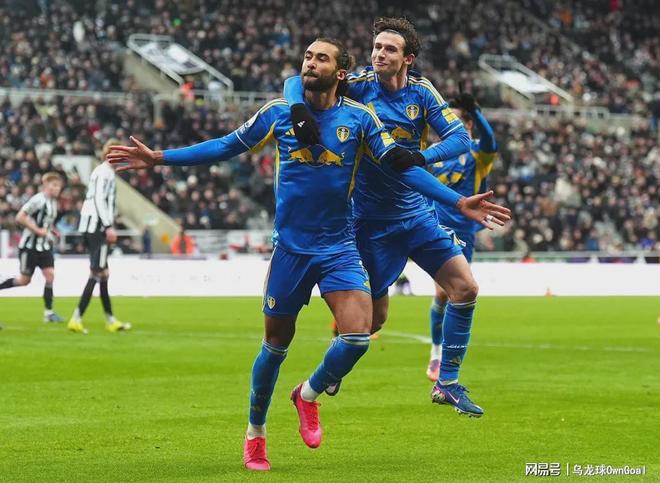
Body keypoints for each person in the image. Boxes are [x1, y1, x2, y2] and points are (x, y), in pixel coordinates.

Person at [107, 38, 509, 470]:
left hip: (339, 246)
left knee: (359, 336)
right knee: (275, 345)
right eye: (307, 57)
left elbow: (401, 168)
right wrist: (159, 158)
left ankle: (308, 393)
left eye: (321, 58)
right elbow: (226, 145)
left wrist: (456, 201)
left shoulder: (361, 118)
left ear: (341, 73)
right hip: (291, 250)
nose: (310, 63)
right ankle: (255, 433)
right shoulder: (279, 113)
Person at [283, 17, 501, 417]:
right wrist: (298, 107)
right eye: (377, 47)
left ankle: (447, 383)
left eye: (389, 49)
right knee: (373, 321)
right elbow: (297, 82)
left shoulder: (422, 92)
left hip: (417, 215)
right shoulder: (358, 85)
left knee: (465, 288)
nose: (379, 54)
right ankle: (321, 378)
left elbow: (460, 138)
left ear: (408, 58)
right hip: (369, 223)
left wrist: (421, 156)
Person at [426, 89, 498, 382]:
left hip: (464, 231)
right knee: (442, 292)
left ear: (467, 125)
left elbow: (491, 141)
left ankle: (443, 358)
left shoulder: (478, 154)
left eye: (456, 120)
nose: (449, 125)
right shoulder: (436, 152)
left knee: (455, 293)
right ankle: (436, 354)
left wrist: (477, 112)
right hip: (433, 226)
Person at [68, 140, 131, 334]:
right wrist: (108, 225)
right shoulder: (105, 173)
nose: (122, 158)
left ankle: (110, 320)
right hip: (97, 227)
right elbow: (99, 200)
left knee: (103, 273)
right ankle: (76, 318)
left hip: (92, 225)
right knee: (96, 273)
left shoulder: (103, 172)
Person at [0, 172, 65, 322]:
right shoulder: (38, 200)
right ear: (46, 185)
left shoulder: (52, 202)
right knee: (24, 280)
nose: (57, 189)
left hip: (44, 247)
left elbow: (45, 223)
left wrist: (52, 230)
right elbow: (20, 217)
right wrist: (38, 230)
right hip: (29, 247)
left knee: (50, 275)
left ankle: (49, 313)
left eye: (59, 186)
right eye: (54, 185)